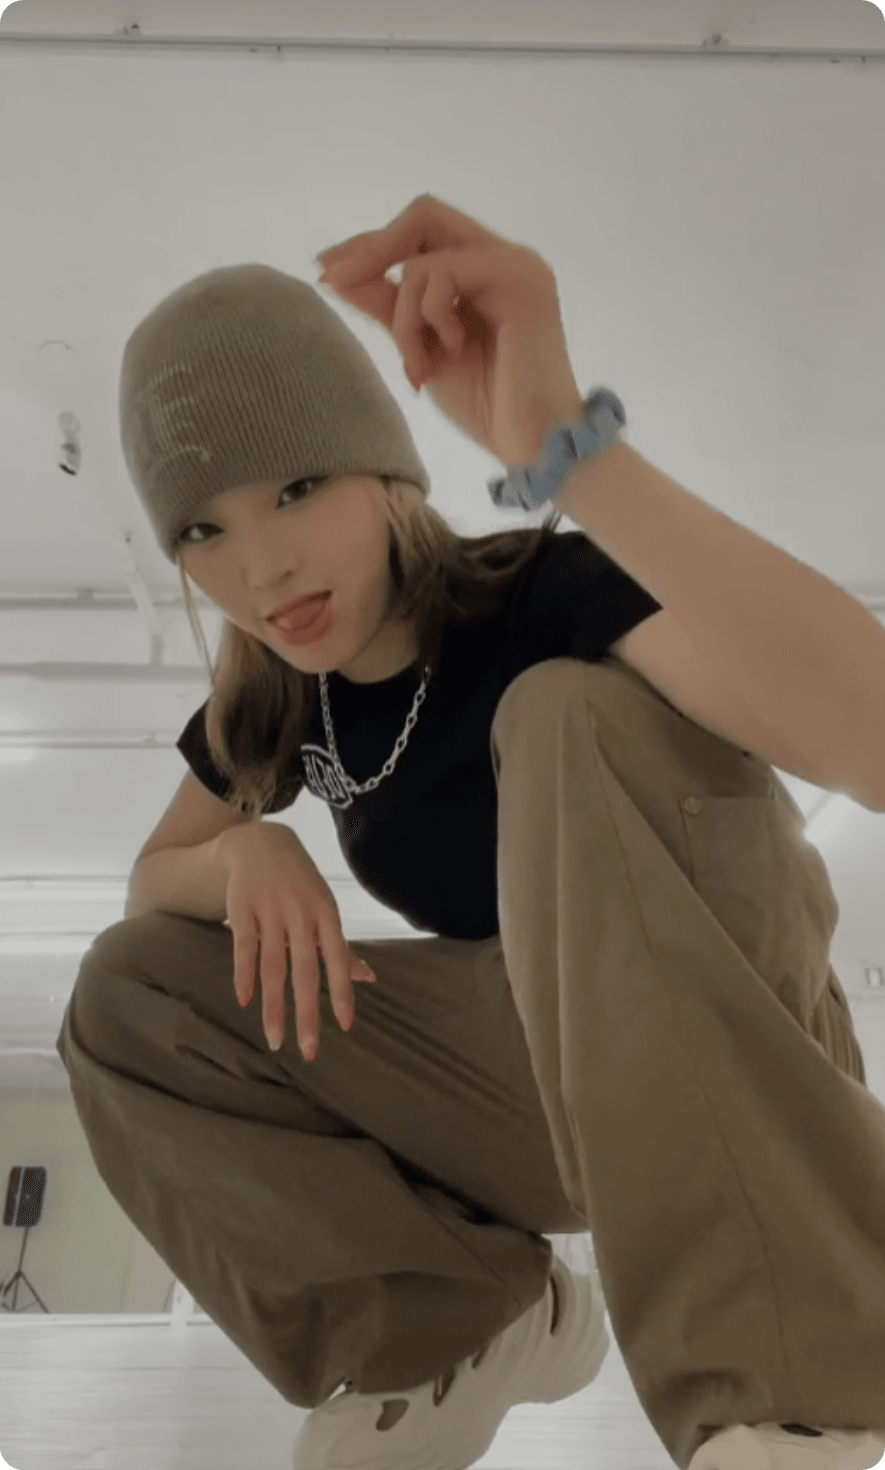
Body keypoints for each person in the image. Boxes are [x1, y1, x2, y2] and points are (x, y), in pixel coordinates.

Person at [56, 255, 885, 1470]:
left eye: (297, 487)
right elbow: (148, 891)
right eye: (203, 529)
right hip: (538, 1083)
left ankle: (794, 1402)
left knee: (557, 709)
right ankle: (456, 1326)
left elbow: (866, 746)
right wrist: (243, 850)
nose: (260, 567)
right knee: (126, 991)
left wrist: (574, 453)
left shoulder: (544, 593)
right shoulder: (282, 702)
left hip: (729, 1024)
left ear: (381, 466)